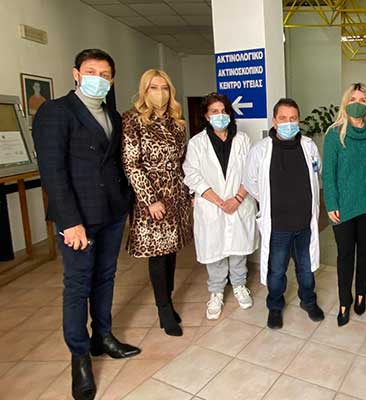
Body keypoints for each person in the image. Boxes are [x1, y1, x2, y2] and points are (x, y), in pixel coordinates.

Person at [32, 49, 141, 400]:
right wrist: (70, 222)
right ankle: (79, 357)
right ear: (76, 74)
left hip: (111, 212)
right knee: (78, 285)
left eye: (105, 74)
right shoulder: (56, 112)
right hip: (78, 218)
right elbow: (53, 173)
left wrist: (125, 201)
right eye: (91, 72)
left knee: (105, 277)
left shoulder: (111, 114)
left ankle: (102, 337)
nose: (98, 79)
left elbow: (113, 162)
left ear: (112, 80)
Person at [121, 69, 193, 336]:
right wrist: (150, 200)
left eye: (164, 88)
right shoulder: (133, 119)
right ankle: (163, 309)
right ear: (144, 91)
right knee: (158, 254)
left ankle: (168, 300)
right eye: (153, 88)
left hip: (176, 194)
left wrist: (188, 193)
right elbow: (131, 164)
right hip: (151, 198)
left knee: (171, 251)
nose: (160, 93)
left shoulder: (177, 122)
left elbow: (183, 161)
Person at [243, 98, 325, 329]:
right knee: (277, 271)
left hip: (305, 224)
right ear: (274, 120)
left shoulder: (309, 146)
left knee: (306, 270)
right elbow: (250, 182)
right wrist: (270, 201)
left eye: (293, 118)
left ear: (298, 120)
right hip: (277, 225)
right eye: (283, 118)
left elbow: (318, 172)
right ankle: (275, 307)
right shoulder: (260, 150)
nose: (289, 123)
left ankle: (308, 301)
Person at [183, 93, 258, 320]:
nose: (220, 115)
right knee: (214, 250)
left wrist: (237, 199)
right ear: (206, 116)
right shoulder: (197, 143)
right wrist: (219, 201)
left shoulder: (243, 139)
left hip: (239, 202)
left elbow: (251, 172)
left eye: (223, 110)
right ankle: (216, 292)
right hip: (211, 206)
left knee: (238, 249)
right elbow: (191, 175)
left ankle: (239, 285)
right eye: (214, 111)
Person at [322, 82, 366, 327]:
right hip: (343, 207)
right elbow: (328, 173)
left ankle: (361, 294)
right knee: (345, 255)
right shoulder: (334, 134)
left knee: (365, 253)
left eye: (363, 100)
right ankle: (344, 301)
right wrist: (331, 203)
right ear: (346, 103)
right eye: (353, 99)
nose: (357, 103)